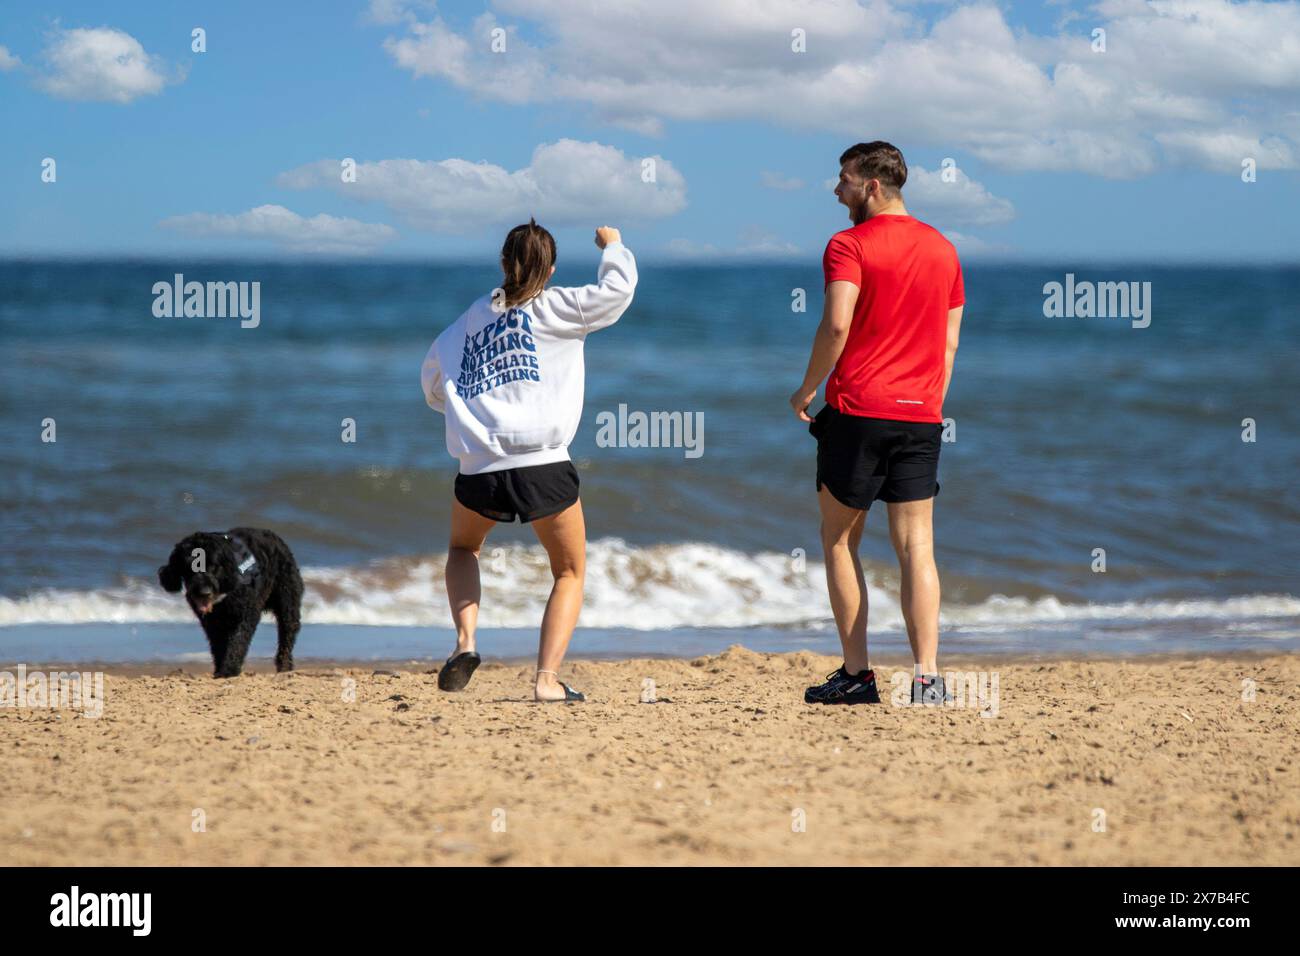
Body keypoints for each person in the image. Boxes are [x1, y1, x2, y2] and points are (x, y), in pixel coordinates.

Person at [421, 219, 637, 701]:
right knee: (568, 571)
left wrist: (465, 408)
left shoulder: (468, 321)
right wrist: (614, 246)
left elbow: (432, 383)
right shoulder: (562, 305)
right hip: (544, 464)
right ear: (552, 269)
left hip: (479, 468)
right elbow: (617, 291)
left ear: (503, 263)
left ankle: (466, 640)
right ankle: (546, 681)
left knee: (463, 550)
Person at [789, 142, 965, 706]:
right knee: (917, 545)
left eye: (842, 180)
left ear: (871, 185)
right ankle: (927, 679)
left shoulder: (848, 245)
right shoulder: (944, 249)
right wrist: (928, 403)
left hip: (858, 410)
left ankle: (858, 675)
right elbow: (949, 342)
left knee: (838, 538)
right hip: (922, 415)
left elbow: (836, 326)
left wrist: (807, 386)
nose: (835, 190)